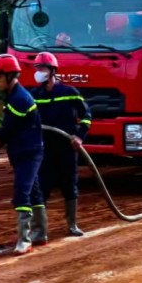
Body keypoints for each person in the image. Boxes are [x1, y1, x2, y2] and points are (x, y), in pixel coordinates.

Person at [0, 54, 46, 256]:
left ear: (10, 76)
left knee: (22, 192)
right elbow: (12, 129)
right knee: (34, 192)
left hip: (29, 153)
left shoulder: (20, 99)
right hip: (24, 150)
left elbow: (5, 130)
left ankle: (25, 240)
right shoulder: (13, 97)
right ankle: (40, 234)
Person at [29, 52, 92, 241]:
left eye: (42, 68)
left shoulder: (69, 92)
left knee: (69, 184)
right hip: (44, 148)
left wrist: (79, 136)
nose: (38, 72)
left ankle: (72, 224)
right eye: (37, 68)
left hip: (66, 147)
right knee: (42, 187)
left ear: (52, 71)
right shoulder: (33, 95)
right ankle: (40, 230)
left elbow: (87, 115)